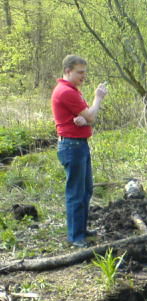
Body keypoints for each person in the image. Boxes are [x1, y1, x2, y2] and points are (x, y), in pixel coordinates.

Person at [51, 55, 107, 248]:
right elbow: (91, 116)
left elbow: (86, 118)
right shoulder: (67, 92)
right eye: (80, 72)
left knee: (86, 189)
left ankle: (81, 230)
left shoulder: (72, 90)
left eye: (85, 72)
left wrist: (84, 120)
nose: (84, 76)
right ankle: (75, 237)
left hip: (78, 145)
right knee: (76, 192)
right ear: (68, 71)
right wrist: (98, 98)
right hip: (72, 147)